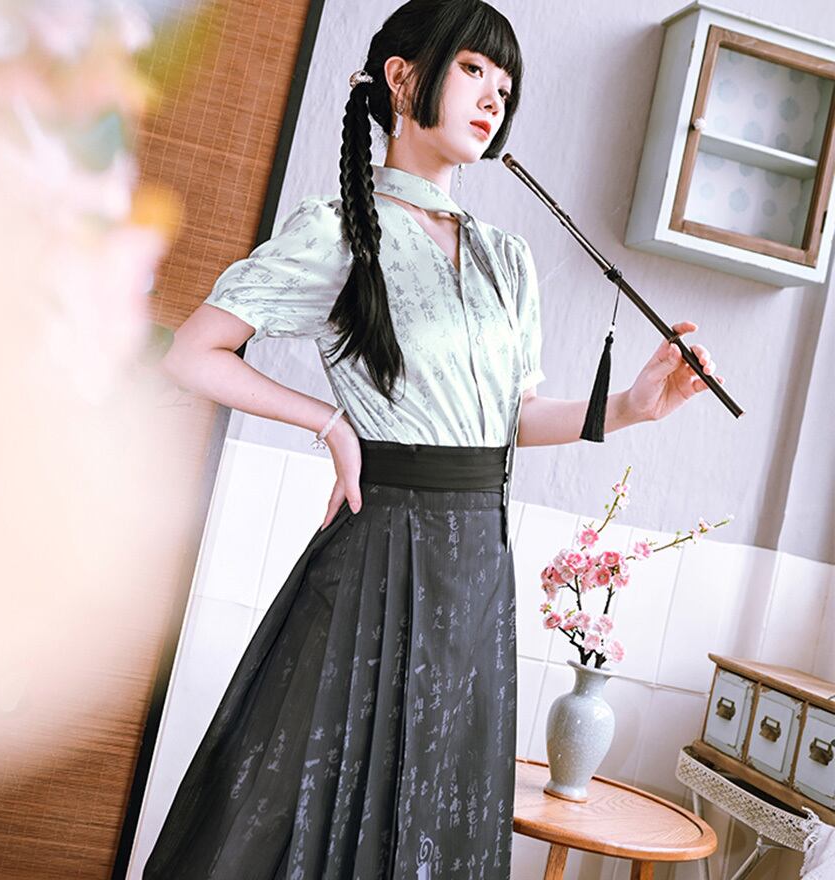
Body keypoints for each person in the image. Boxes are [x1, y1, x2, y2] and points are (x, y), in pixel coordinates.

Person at [142, 1, 722, 877]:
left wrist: (634, 406)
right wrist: (330, 422)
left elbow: (510, 422)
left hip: (477, 566)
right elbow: (192, 354)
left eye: (506, 86)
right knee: (304, 811)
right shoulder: (341, 229)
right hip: (377, 553)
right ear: (403, 77)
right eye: (474, 70)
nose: (494, 98)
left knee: (435, 821)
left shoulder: (506, 259)